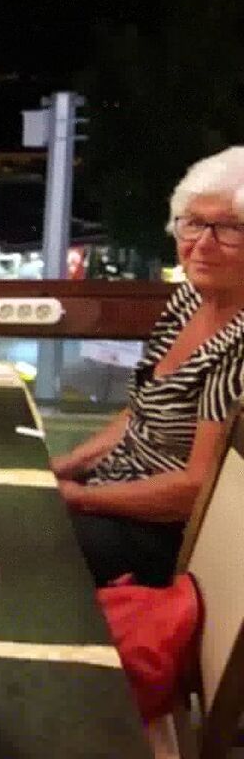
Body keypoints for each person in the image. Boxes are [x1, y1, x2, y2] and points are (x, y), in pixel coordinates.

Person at [53, 147, 244, 587]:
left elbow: (196, 488)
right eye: (193, 223)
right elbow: (141, 412)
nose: (203, 244)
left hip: (156, 533)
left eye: (230, 228)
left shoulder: (237, 347)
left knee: (16, 542)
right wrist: (66, 466)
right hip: (108, 493)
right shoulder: (189, 298)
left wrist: (79, 498)